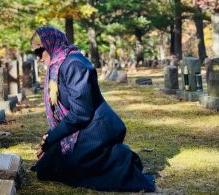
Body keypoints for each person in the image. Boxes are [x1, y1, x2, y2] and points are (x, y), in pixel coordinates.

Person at [30, 26, 156, 192]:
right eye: (34, 53)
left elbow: (81, 114)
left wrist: (52, 139)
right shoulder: (56, 66)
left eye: (40, 51)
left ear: (51, 43)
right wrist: (49, 137)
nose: (38, 57)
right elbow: (63, 113)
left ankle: (121, 158)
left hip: (94, 129)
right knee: (44, 168)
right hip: (79, 128)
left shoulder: (74, 64)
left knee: (68, 170)